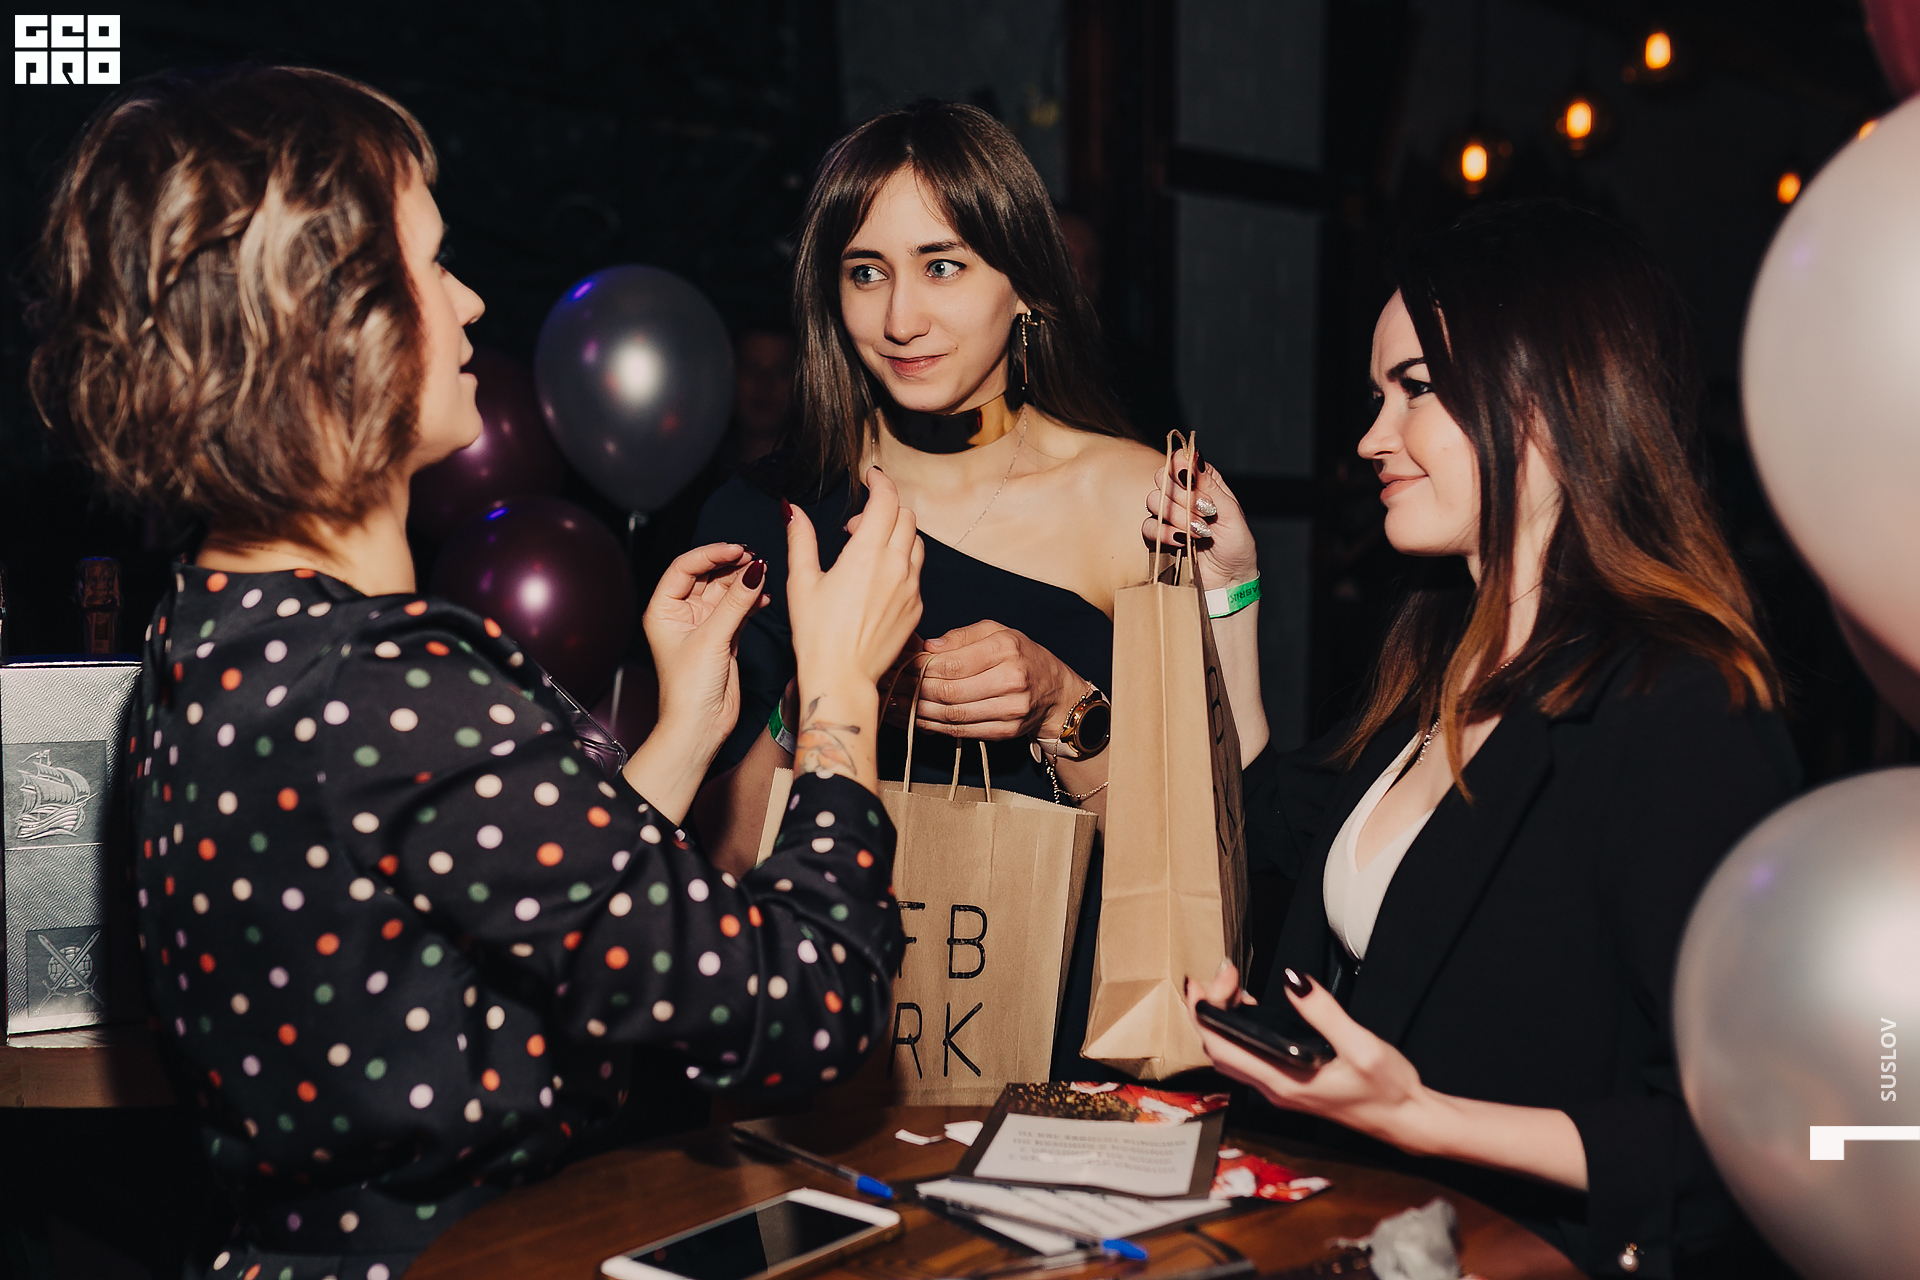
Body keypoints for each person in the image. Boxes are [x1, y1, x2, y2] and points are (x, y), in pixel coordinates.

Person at [29, 65, 923, 1280]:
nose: (470, 302)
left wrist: (683, 731)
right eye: (432, 265)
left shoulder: (210, 632)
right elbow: (809, 1007)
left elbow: (460, 931)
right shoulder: (383, 686)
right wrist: (840, 696)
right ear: (330, 330)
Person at [1167, 201, 1799, 1278]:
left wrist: (1421, 1115)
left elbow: (1752, 1139)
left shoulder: (1679, 706)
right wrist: (1232, 588)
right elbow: (1270, 821)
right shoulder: (1440, 662)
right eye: (1377, 396)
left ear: (1550, 393)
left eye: (1413, 387)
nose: (1371, 437)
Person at [691, 100, 1266, 1077]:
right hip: (819, 1066)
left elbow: (1211, 857)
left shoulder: (1133, 498)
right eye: (866, 272)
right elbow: (718, 874)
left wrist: (1065, 706)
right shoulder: (763, 514)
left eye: (943, 266)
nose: (900, 319)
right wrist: (823, 693)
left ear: (1027, 284)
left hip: (1067, 1057)